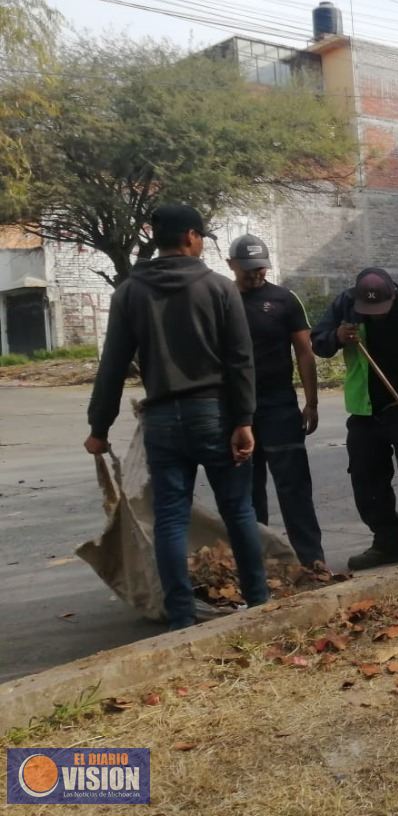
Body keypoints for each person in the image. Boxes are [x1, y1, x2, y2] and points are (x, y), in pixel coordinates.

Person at [85, 203, 268, 629]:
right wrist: (244, 420)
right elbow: (240, 360)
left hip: (162, 418)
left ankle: (181, 617)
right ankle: (258, 602)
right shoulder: (220, 288)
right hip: (216, 414)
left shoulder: (129, 292)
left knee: (170, 515)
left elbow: (112, 366)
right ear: (190, 236)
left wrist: (99, 428)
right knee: (238, 509)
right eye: (201, 236)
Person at [311, 268, 398, 570]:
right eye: (368, 311)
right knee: (366, 477)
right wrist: (336, 336)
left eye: (380, 309)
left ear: (393, 295)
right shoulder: (344, 306)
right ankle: (388, 543)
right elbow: (318, 343)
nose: (374, 315)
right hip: (365, 408)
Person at [226, 234, 325, 569]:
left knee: (294, 488)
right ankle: (260, 567)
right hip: (237, 412)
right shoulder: (221, 300)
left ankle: (312, 561)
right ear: (232, 266)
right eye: (248, 269)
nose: (256, 274)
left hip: (280, 406)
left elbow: (304, 351)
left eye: (261, 267)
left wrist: (311, 401)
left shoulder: (284, 300)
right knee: (248, 495)